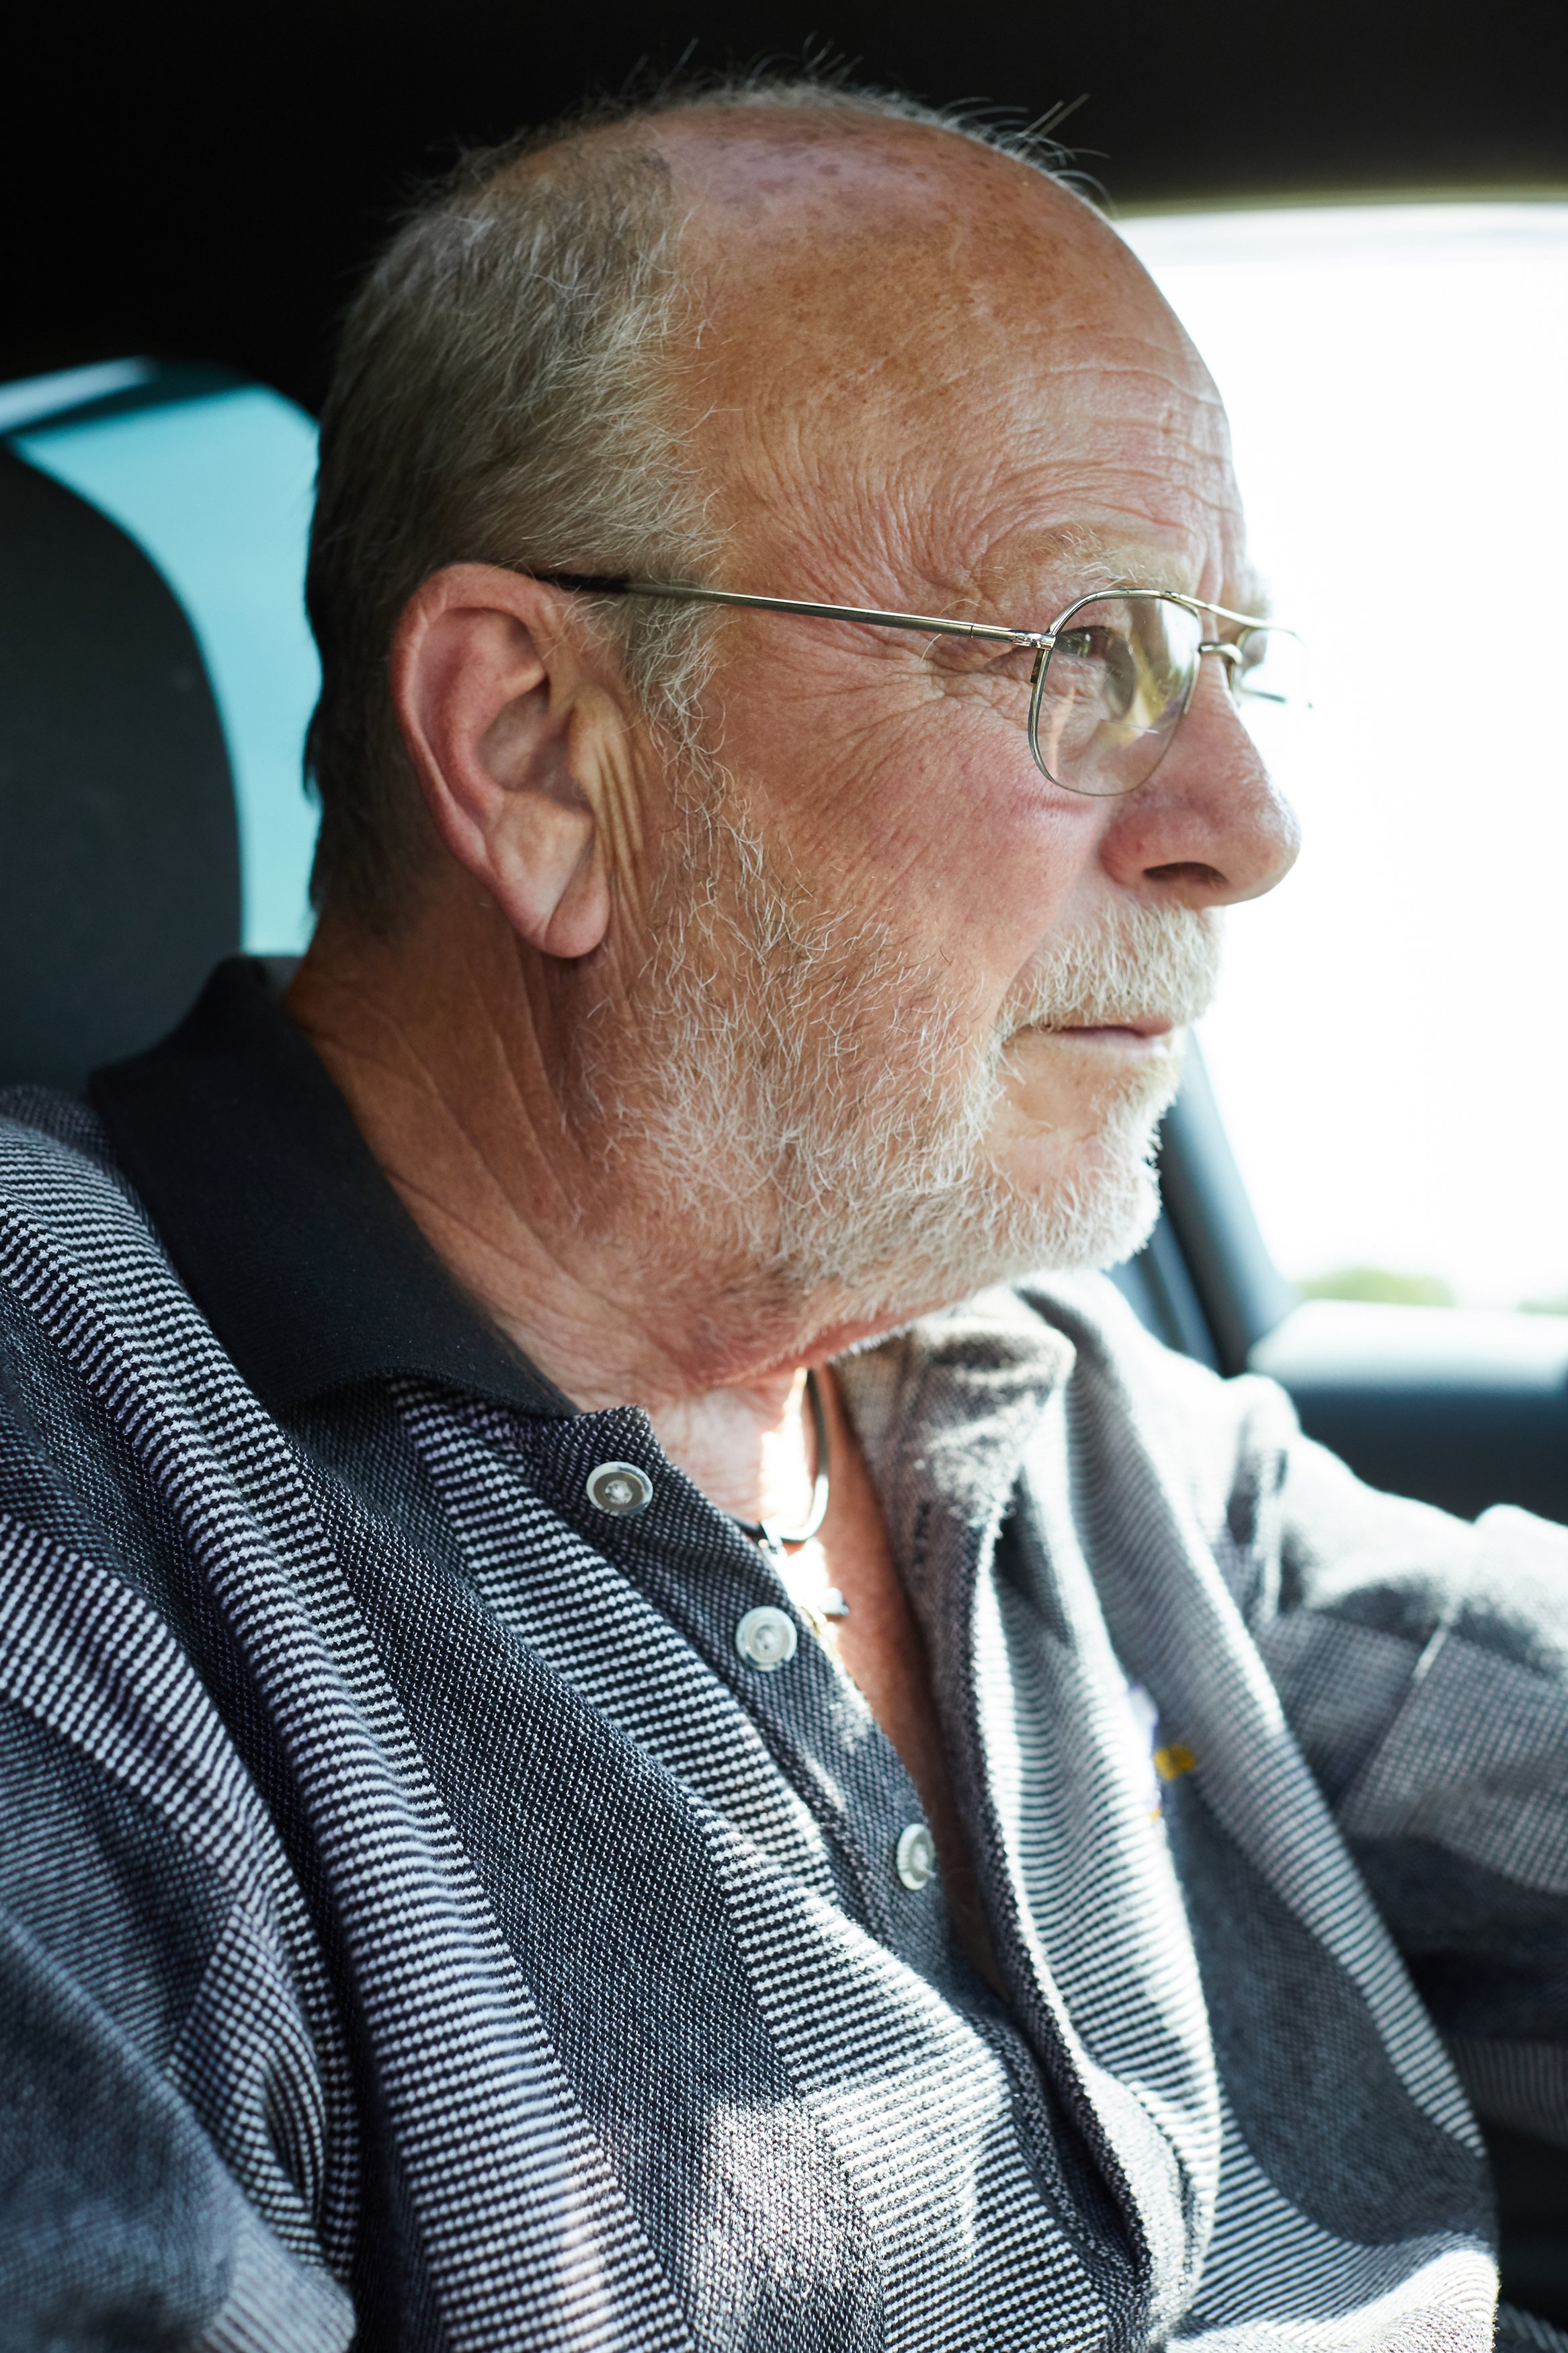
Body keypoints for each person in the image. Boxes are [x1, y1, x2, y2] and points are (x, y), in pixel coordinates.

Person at [1, 75, 1563, 2353]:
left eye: (1231, 664)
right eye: (1090, 653)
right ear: (538, 749)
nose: (1247, 819)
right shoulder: (76, 1536)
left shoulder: (1039, 1390)